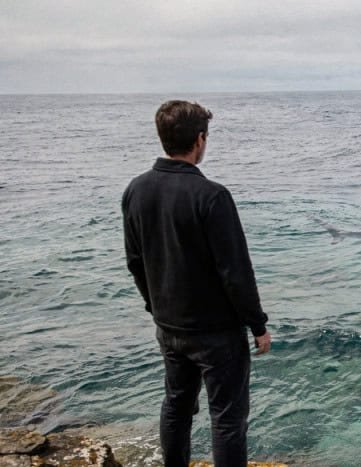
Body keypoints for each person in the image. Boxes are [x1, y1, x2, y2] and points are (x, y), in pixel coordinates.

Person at [122, 100, 271, 467]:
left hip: (169, 327)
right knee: (227, 419)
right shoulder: (212, 196)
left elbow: (135, 261)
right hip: (216, 332)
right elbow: (235, 271)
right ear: (200, 140)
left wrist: (155, 307)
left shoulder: (136, 190)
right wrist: (258, 324)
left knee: (176, 405)